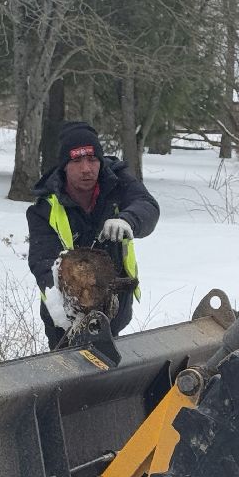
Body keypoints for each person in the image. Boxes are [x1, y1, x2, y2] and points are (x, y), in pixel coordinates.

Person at [26, 121, 160, 350]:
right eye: (77, 160)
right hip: (64, 322)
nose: (86, 168)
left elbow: (147, 206)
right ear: (64, 166)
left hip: (115, 312)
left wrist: (128, 220)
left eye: (93, 159)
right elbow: (42, 263)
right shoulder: (45, 208)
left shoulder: (119, 182)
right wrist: (68, 310)